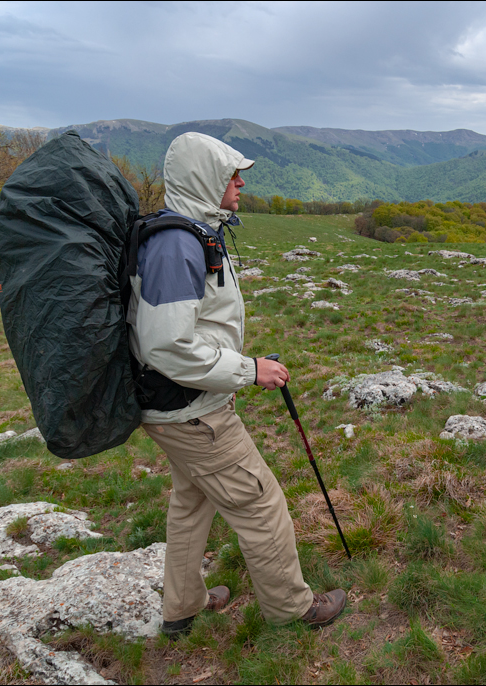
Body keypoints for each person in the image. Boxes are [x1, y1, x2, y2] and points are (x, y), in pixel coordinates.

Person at [126, 131, 346, 638]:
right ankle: (292, 610)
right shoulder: (178, 246)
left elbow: (185, 331)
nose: (241, 182)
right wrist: (248, 370)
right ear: (207, 179)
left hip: (173, 407)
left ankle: (182, 608)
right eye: (232, 174)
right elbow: (167, 346)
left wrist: (236, 361)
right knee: (260, 504)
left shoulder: (187, 234)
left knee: (192, 502)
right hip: (193, 412)